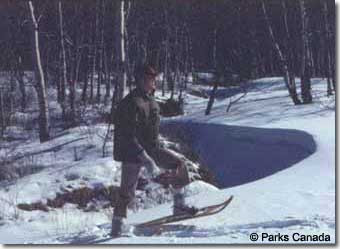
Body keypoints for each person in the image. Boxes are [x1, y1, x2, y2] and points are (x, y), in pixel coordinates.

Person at [111, 64, 197, 237]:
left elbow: (151, 128)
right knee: (127, 191)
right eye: (151, 79)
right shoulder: (130, 103)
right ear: (142, 80)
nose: (154, 82)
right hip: (132, 151)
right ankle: (117, 225)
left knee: (179, 164)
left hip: (152, 148)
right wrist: (147, 160)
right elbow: (127, 135)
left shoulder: (151, 100)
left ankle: (179, 206)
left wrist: (159, 147)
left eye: (154, 78)